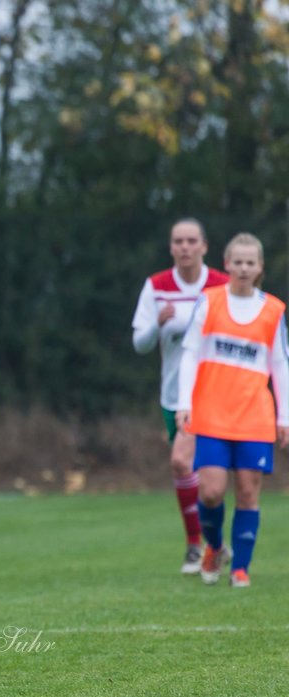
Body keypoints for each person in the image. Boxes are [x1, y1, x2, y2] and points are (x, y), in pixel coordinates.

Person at [177, 232, 289, 588]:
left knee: (247, 492)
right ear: (226, 264)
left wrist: (284, 416)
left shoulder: (273, 309)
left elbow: (281, 364)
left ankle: (241, 566)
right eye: (237, 262)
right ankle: (214, 547)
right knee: (210, 491)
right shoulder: (209, 302)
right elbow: (190, 352)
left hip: (254, 417)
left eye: (250, 262)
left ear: (260, 268)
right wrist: (184, 402)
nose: (243, 268)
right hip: (211, 414)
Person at [131, 218, 229, 575]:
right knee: (192, 473)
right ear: (171, 247)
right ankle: (208, 543)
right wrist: (157, 322)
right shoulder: (157, 286)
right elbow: (139, 344)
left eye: (191, 241)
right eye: (178, 241)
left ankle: (200, 546)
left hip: (216, 393)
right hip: (174, 394)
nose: (185, 247)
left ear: (204, 246)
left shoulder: (221, 285)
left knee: (186, 466)